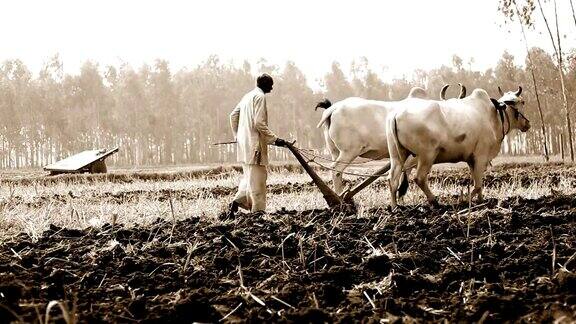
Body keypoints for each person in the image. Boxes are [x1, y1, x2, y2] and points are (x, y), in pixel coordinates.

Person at [226, 73, 287, 218]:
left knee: (249, 177)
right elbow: (259, 123)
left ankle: (237, 201)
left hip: (244, 145)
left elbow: (233, 116)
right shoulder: (260, 97)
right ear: (265, 85)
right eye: (270, 85)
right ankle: (258, 213)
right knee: (258, 180)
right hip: (255, 146)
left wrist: (238, 136)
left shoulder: (247, 96)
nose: (272, 88)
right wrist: (274, 139)